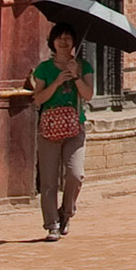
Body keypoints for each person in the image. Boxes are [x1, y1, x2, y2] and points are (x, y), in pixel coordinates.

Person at [28, 22, 93, 240]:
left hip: (75, 126)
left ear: (74, 42)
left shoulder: (83, 67)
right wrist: (56, 82)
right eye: (59, 38)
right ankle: (52, 224)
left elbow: (88, 95)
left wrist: (76, 76)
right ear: (53, 42)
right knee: (49, 180)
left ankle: (66, 212)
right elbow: (38, 99)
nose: (63, 42)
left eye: (68, 38)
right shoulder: (44, 68)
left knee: (75, 174)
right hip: (49, 127)